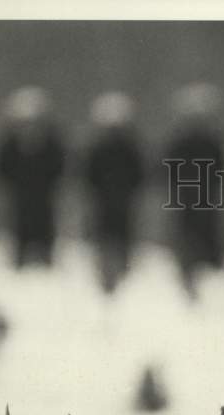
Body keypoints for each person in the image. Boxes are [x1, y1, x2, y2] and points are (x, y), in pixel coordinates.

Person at [164, 83, 224, 299]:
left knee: (198, 240)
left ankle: (200, 284)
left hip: (197, 198)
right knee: (195, 240)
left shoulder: (189, 141)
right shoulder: (203, 141)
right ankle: (196, 284)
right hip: (196, 198)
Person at [0, 86, 66, 268]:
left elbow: (61, 169)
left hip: (44, 203)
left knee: (45, 240)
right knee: (18, 238)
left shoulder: (51, 146)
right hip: (18, 203)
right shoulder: (9, 147)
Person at [84, 92, 144, 293]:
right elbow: (87, 176)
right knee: (104, 241)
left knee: (121, 241)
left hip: (123, 205)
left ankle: (121, 277)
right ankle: (106, 277)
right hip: (103, 205)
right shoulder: (98, 150)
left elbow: (140, 175)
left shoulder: (130, 149)